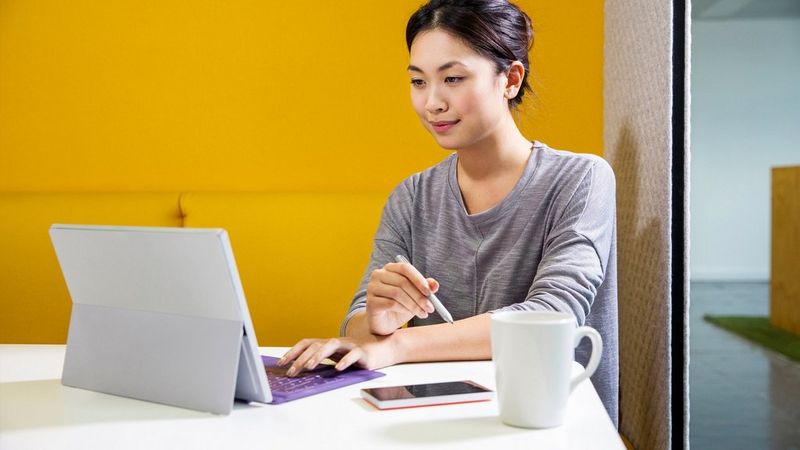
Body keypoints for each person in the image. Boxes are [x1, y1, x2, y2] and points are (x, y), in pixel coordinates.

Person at [277, 0, 619, 426]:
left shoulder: (581, 178)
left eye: (453, 78)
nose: (432, 102)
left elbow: (553, 315)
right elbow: (363, 329)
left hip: (547, 423)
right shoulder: (412, 196)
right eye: (418, 81)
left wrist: (399, 346)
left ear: (510, 79)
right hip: (434, 420)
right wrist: (379, 320)